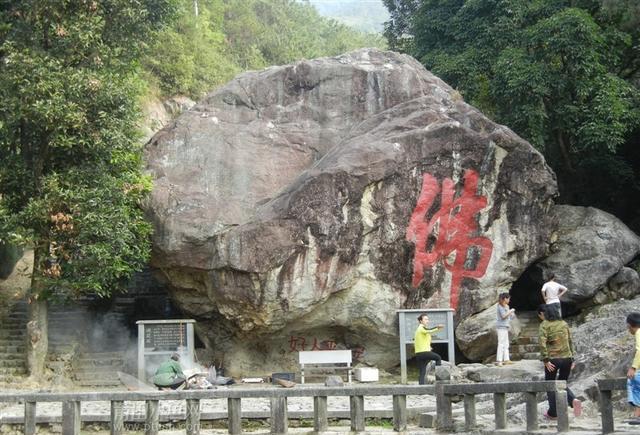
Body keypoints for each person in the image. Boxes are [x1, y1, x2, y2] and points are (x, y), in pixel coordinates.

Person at [538, 304, 581, 418]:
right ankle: (573, 400)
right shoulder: (564, 324)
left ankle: (553, 412)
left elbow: (542, 344)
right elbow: (570, 341)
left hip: (553, 360)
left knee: (550, 384)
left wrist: (546, 360)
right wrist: (572, 358)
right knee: (562, 383)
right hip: (567, 359)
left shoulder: (544, 325)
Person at [414, 313, 444, 385]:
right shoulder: (421, 328)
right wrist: (437, 327)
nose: (427, 321)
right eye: (425, 319)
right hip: (424, 352)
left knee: (422, 371)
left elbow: (421, 340)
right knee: (438, 358)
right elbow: (429, 330)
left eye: (428, 319)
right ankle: (439, 379)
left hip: (419, 353)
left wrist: (429, 347)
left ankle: (421, 388)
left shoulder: (419, 330)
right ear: (421, 321)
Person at [626, 312, 640, 424]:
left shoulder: (639, 332)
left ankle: (637, 414)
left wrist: (633, 368)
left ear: (629, 325)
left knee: (632, 381)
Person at [496, 293, 516, 366]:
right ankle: (499, 361)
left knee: (506, 343)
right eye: (508, 299)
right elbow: (503, 316)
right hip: (501, 327)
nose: (509, 300)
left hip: (506, 327)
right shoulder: (499, 306)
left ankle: (506, 359)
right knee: (501, 343)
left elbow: (509, 317)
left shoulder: (507, 306)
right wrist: (510, 311)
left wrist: (512, 314)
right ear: (505, 299)